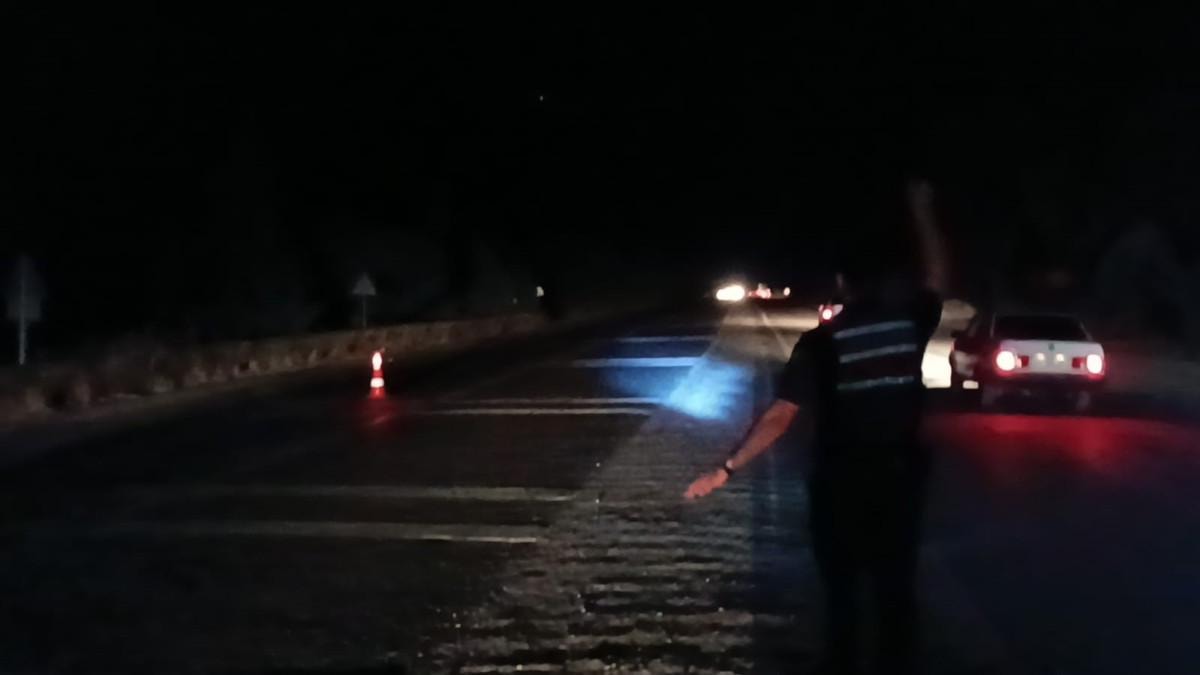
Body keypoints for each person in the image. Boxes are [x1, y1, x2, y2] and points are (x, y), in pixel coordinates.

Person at [684, 178, 948, 675]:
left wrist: (726, 468)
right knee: (895, 587)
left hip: (840, 483)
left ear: (843, 284)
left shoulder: (821, 343)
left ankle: (843, 661)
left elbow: (780, 415)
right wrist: (923, 210)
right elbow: (936, 275)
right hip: (899, 480)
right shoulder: (909, 323)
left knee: (842, 590)